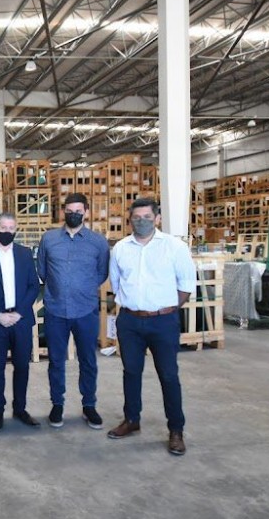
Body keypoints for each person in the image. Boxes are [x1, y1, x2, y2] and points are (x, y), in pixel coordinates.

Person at [108, 197, 196, 456]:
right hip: (130, 321)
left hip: (163, 321)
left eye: (147, 217)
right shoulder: (120, 248)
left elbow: (186, 284)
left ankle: (176, 430)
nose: (142, 221)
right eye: (136, 217)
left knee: (168, 375)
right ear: (130, 220)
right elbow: (116, 283)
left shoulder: (174, 246)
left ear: (157, 219)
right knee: (131, 371)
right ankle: (131, 419)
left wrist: (166, 309)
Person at [36, 193, 110, 429]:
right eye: (69, 211)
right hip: (56, 310)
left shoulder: (98, 243)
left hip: (86, 310)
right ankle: (57, 404)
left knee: (88, 360)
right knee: (56, 361)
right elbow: (42, 270)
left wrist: (82, 288)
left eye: (78, 211)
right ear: (63, 212)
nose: (73, 214)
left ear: (86, 212)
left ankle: (89, 405)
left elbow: (102, 273)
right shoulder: (49, 239)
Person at [0, 212, 41, 430]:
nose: (7, 232)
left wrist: (20, 312)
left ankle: (20, 409)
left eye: (11, 228)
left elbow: (33, 286)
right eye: (3, 228)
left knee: (22, 366)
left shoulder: (24, 253)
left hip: (21, 319)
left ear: (16, 230)